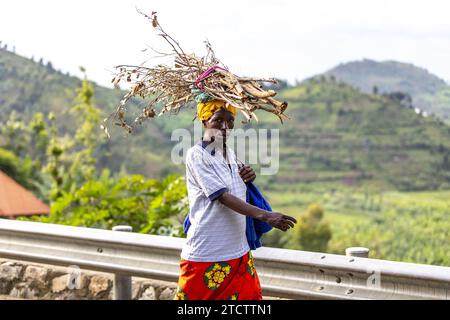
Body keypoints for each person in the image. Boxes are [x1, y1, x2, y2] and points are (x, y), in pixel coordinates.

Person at [175, 99, 297, 300]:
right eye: (218, 120)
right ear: (205, 120)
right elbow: (222, 196)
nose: (225, 127)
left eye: (230, 121)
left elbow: (235, 189)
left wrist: (247, 178)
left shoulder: (229, 154)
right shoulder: (196, 155)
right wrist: (266, 216)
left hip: (238, 251)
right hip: (207, 253)